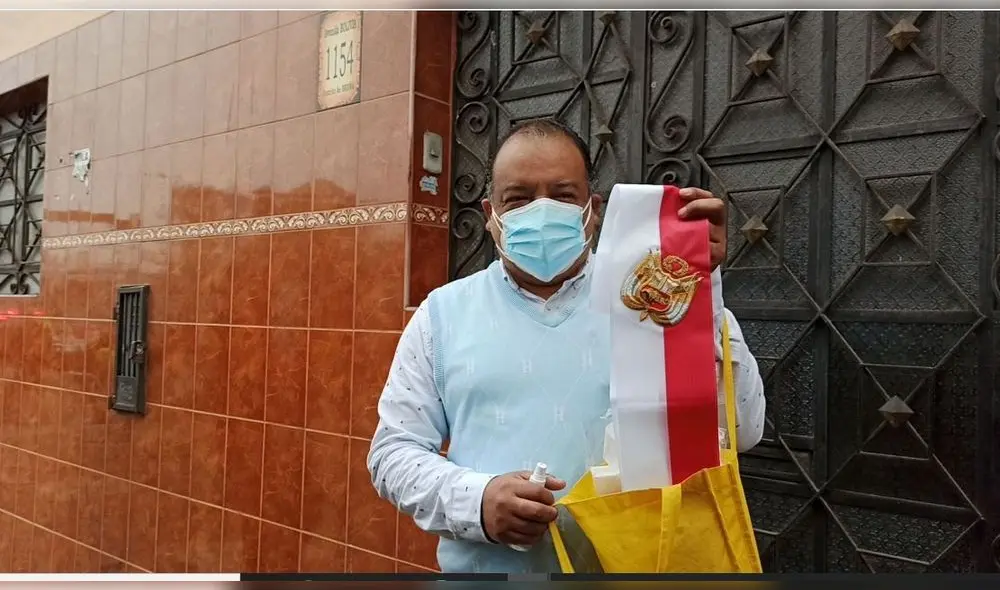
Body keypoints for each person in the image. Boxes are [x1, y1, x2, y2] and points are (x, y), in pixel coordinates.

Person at [367, 118, 765, 573]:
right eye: (518, 199)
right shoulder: (442, 314)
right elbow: (391, 454)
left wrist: (700, 287)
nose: (541, 211)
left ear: (591, 210)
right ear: (490, 214)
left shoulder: (656, 296)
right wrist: (476, 501)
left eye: (562, 195)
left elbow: (745, 430)